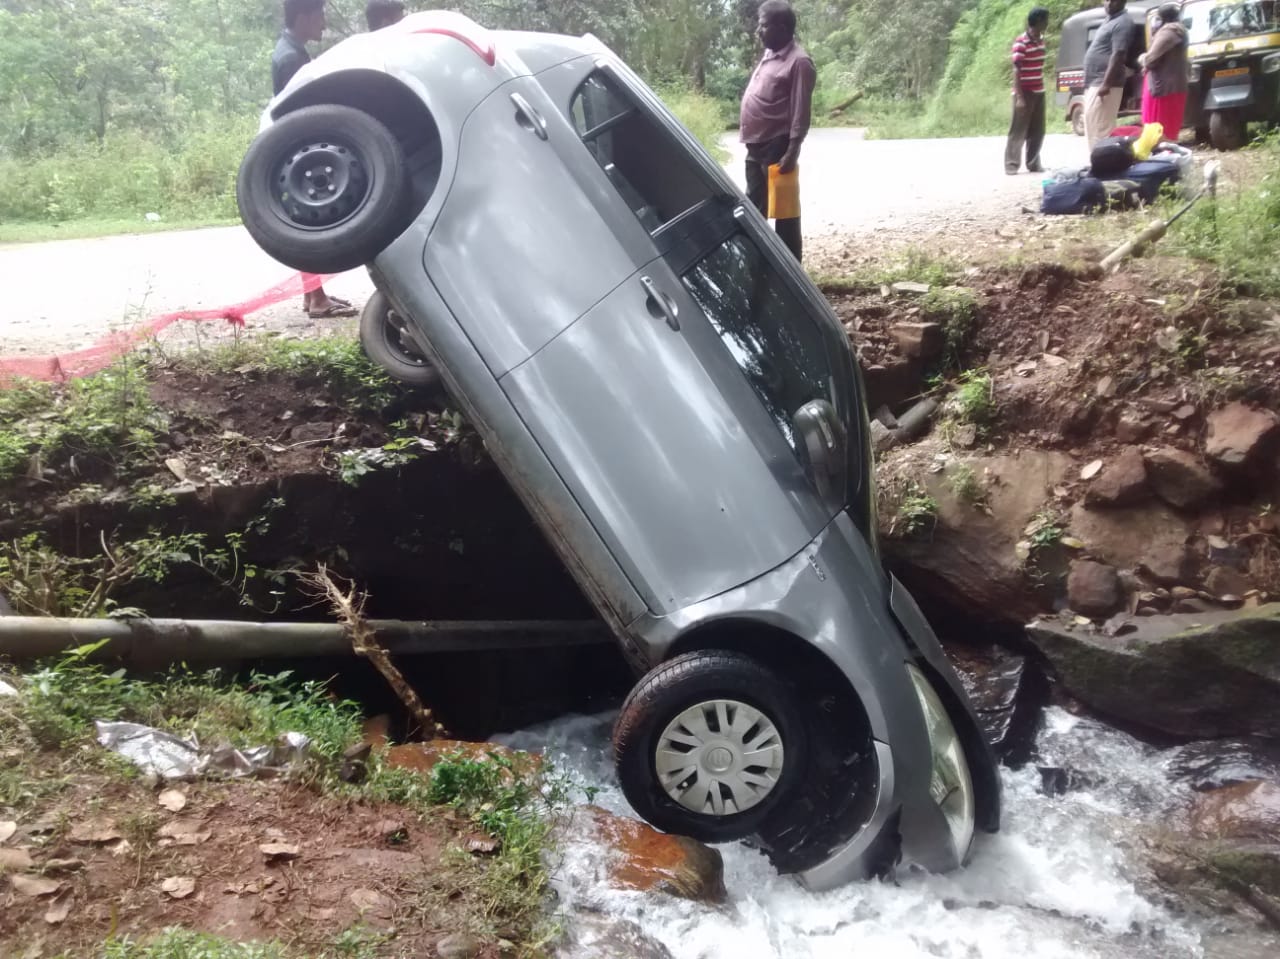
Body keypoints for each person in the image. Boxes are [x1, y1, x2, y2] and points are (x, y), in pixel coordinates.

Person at [271, 0, 356, 319]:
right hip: (299, 149)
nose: (323, 24)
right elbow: (300, 107)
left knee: (305, 221)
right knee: (309, 223)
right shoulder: (291, 57)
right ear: (304, 17)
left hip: (293, 147)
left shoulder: (290, 49)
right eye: (320, 16)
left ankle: (313, 295)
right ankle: (318, 299)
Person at [740, 0, 816, 261]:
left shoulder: (800, 62)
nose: (758, 31)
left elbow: (800, 111)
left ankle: (792, 271)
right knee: (754, 207)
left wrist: (793, 149)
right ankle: (759, 264)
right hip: (756, 145)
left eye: (763, 26)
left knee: (784, 214)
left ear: (781, 27)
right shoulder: (771, 53)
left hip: (778, 145)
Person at [1082, 0, 1136, 149]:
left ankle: (1105, 167)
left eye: (1114, 0)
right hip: (1095, 82)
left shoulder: (1123, 22)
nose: (1109, 3)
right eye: (1107, 0)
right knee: (1092, 125)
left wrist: (1106, 83)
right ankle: (1096, 164)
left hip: (1105, 84)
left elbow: (1118, 54)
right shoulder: (1109, 20)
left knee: (1101, 129)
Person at [1005, 7, 1051, 175]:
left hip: (1039, 91)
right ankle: (1011, 165)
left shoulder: (1041, 40)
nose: (1047, 23)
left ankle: (1033, 163)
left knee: (1038, 130)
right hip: (1024, 92)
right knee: (1018, 130)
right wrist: (1019, 97)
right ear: (1038, 21)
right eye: (1045, 20)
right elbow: (1016, 70)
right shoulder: (1021, 42)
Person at [1140, 3, 1189, 141]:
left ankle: (1161, 155)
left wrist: (1142, 59)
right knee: (1169, 125)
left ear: (1162, 18)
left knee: (1158, 126)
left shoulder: (1169, 32)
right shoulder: (1180, 30)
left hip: (1163, 87)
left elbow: (1151, 58)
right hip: (1174, 85)